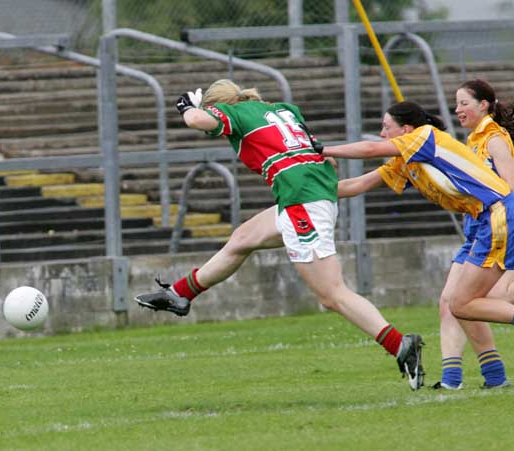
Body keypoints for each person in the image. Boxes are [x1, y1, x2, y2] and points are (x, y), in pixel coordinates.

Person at [135, 79, 425, 390]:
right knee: (242, 239)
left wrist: (187, 107)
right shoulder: (284, 110)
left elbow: (195, 120)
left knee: (332, 294)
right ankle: (180, 294)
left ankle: (400, 345)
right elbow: (327, 159)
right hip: (307, 196)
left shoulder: (237, 114)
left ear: (218, 105)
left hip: (303, 203)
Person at [330, 91, 514, 390]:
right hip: (481, 222)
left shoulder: (429, 136)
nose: (381, 133)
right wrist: (305, 189)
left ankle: (471, 378)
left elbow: (367, 149)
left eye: (386, 126)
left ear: (405, 130)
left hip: (495, 216)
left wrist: (322, 149)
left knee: (466, 302)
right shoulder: (407, 157)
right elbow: (357, 184)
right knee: (455, 303)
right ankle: (478, 378)